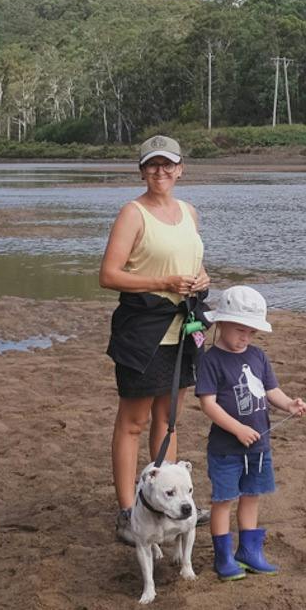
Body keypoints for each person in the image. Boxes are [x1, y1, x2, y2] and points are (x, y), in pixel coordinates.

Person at [100, 133, 210, 548]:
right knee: (134, 422)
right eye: (152, 165)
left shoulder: (189, 212)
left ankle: (171, 500)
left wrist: (203, 278)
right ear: (142, 171)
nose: (160, 171)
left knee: (169, 420)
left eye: (168, 164)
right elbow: (109, 275)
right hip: (142, 328)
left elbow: (193, 263)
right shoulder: (132, 214)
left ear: (181, 169)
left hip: (183, 327)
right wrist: (163, 281)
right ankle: (129, 513)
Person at [195, 284, 306, 579]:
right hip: (226, 448)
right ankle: (223, 557)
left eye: (251, 332)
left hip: (259, 446)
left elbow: (271, 390)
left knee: (252, 495)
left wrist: (289, 405)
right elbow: (208, 404)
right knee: (223, 500)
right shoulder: (211, 360)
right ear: (221, 323)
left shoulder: (258, 356)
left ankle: (249, 551)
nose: (245, 337)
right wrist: (237, 429)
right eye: (239, 330)